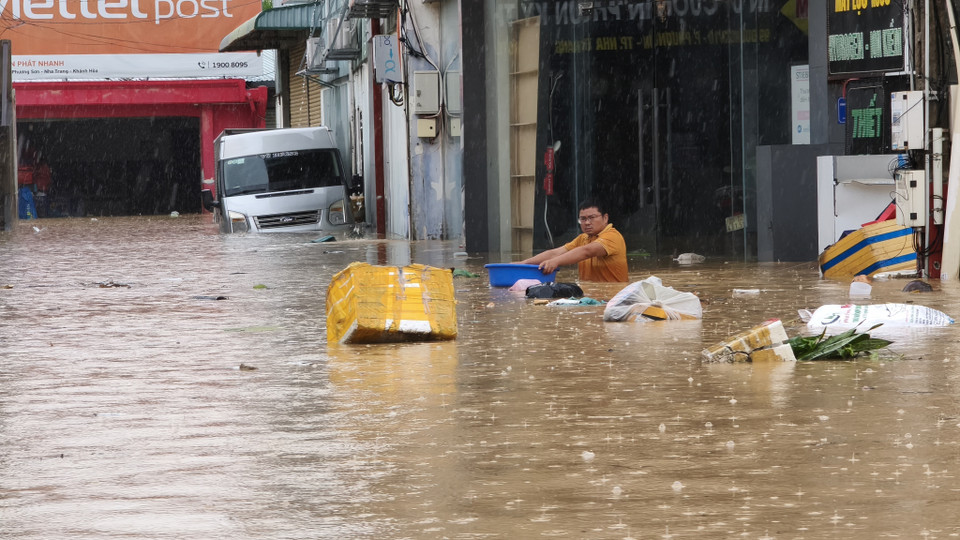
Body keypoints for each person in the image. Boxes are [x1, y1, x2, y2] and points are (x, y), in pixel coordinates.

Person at [520, 199, 628, 282]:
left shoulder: (613, 236)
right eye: (583, 219)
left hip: (613, 298)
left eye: (592, 217)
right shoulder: (582, 238)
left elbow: (586, 252)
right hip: (590, 297)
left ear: (605, 218)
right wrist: (523, 264)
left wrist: (555, 262)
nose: (587, 223)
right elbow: (555, 252)